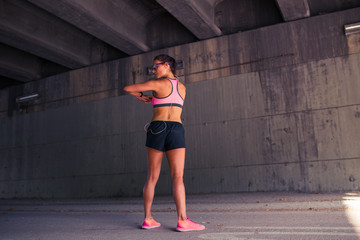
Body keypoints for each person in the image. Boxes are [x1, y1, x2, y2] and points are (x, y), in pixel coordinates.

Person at [123, 54, 205, 232]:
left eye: (156, 67)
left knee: (152, 176)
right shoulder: (183, 87)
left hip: (157, 128)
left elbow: (127, 88)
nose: (153, 71)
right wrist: (153, 99)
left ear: (166, 65)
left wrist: (141, 96)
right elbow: (170, 102)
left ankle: (148, 219)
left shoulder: (157, 84)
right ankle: (182, 220)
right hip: (176, 129)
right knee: (178, 176)